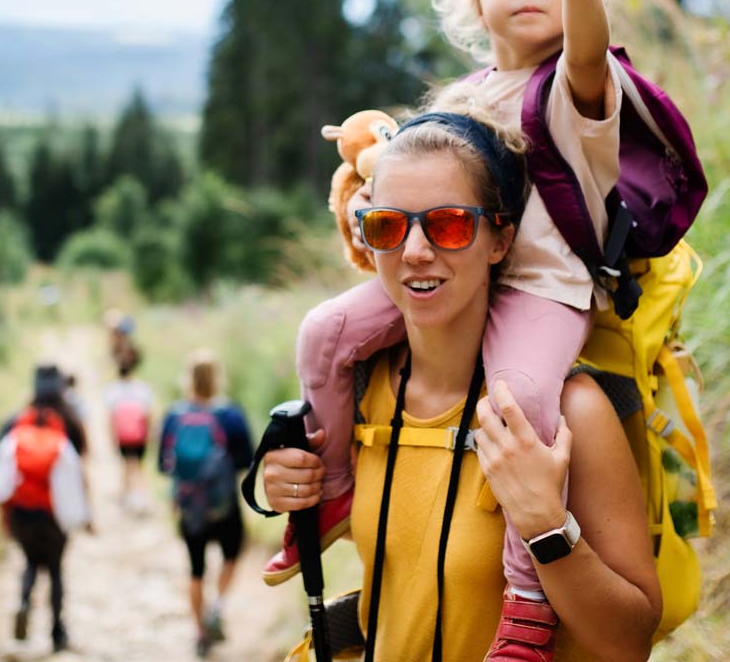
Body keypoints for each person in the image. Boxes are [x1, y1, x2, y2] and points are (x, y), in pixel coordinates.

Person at [266, 0, 628, 661]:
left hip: (542, 291)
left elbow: (591, 52)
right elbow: (416, 182)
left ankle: (527, 600)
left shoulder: (575, 89)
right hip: (464, 274)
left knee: (520, 398)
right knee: (325, 331)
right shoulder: (465, 97)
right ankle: (329, 490)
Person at [262, 113, 660, 661]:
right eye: (388, 226)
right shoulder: (364, 393)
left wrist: (545, 526)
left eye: (449, 225)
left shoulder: (570, 415)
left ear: (501, 239)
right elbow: (415, 556)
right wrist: (300, 490)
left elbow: (629, 644)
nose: (416, 251)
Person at [158, 350, 254, 658]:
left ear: (187, 378)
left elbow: (163, 464)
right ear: (217, 377)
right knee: (233, 553)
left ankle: (199, 632)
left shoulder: (175, 415)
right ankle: (217, 607)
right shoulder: (230, 415)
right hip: (223, 503)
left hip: (189, 506)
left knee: (196, 570)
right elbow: (247, 459)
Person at [0, 364, 91, 653]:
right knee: (57, 568)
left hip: (22, 510)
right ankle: (57, 631)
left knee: (31, 563)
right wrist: (86, 512)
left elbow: (1, 467)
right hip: (56, 511)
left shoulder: (16, 421)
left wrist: (3, 516)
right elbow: (81, 468)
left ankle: (23, 603)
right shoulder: (70, 421)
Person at [103, 344, 154, 513]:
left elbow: (111, 418)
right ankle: (143, 497)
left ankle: (124, 495)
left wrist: (112, 437)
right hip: (139, 435)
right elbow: (148, 415)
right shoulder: (143, 389)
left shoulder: (112, 390)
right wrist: (150, 434)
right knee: (139, 466)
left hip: (123, 436)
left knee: (125, 465)